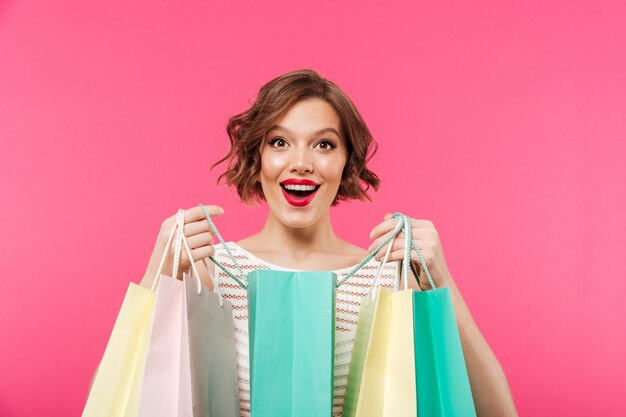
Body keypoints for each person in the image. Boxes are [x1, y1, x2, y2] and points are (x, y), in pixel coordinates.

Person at [139, 69, 518, 416]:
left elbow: (498, 412)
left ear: (346, 162)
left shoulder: (387, 280)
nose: (301, 162)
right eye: (280, 142)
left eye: (323, 145)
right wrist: (156, 275)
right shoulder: (209, 272)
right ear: (257, 157)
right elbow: (118, 400)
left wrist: (442, 282)